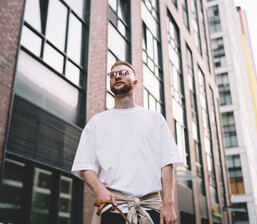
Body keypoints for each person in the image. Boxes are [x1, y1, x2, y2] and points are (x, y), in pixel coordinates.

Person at [71, 61, 184, 224]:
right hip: (113, 208)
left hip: (151, 211)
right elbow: (84, 164)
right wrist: (99, 189)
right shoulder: (97, 122)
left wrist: (168, 203)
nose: (117, 76)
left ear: (135, 82)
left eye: (123, 73)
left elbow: (167, 162)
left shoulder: (155, 119)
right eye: (112, 74)